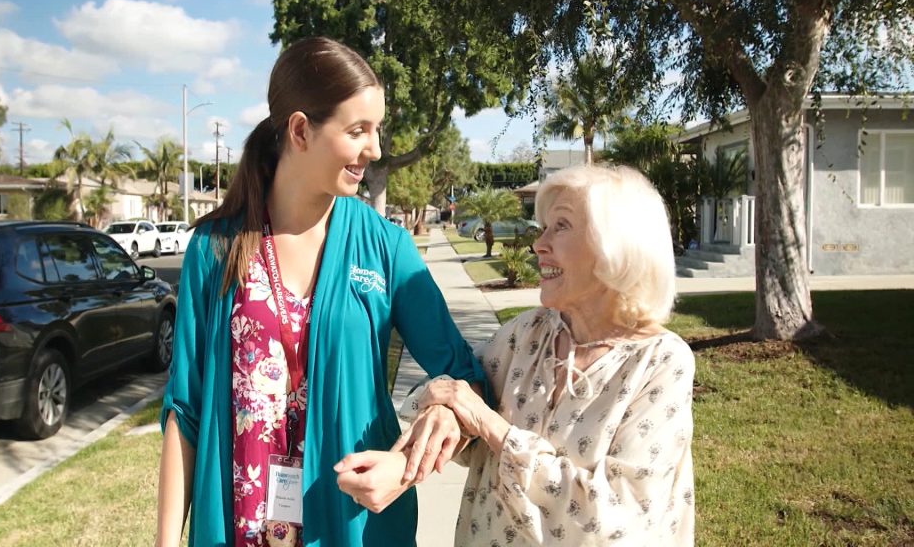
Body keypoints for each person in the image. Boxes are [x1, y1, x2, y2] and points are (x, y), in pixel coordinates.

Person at [155, 37, 485, 547]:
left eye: (377, 130)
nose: (375, 149)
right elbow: (185, 411)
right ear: (301, 131)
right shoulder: (216, 249)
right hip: (237, 528)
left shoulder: (385, 248)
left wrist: (403, 465)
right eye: (358, 131)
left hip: (353, 525)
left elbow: (464, 378)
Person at [339, 165, 696, 545]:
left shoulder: (660, 362)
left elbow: (614, 519)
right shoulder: (529, 333)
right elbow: (459, 393)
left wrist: (490, 426)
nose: (539, 244)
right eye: (543, 227)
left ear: (617, 247)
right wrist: (445, 414)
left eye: (561, 226)